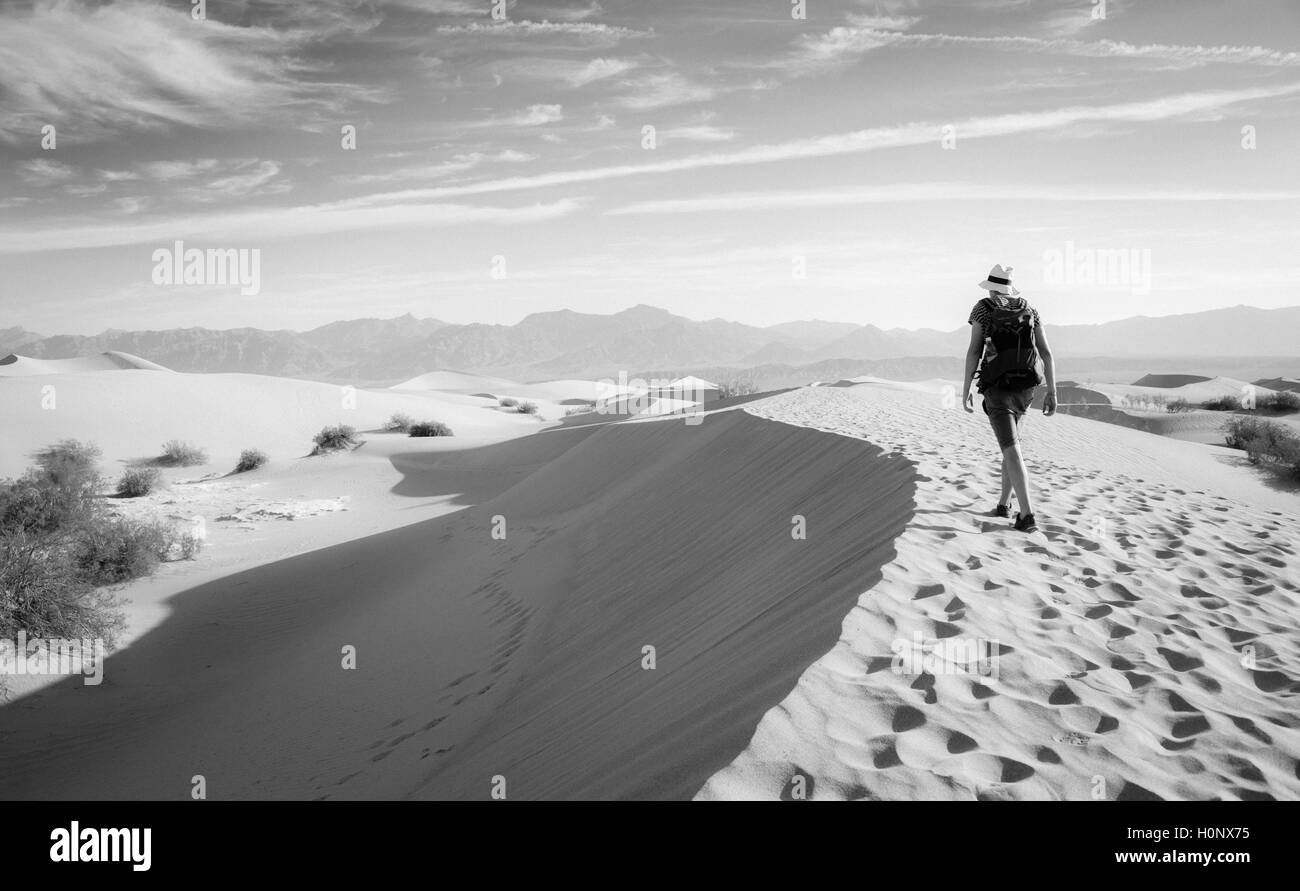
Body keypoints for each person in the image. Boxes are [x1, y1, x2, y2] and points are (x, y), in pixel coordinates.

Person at [961, 264, 1057, 532]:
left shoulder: (982, 308)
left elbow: (974, 351)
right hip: (1026, 388)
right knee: (1011, 446)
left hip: (998, 388)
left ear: (991, 287)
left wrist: (967, 387)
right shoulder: (1030, 308)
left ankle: (1027, 516)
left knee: (1011, 450)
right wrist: (1052, 391)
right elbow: (1046, 353)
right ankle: (1004, 505)